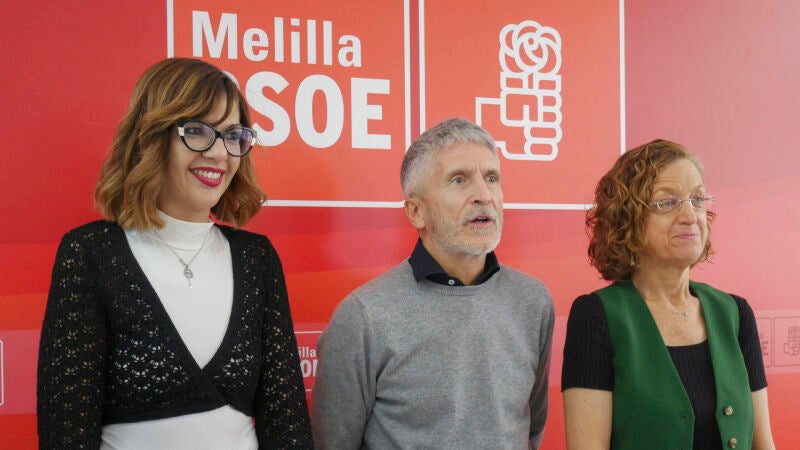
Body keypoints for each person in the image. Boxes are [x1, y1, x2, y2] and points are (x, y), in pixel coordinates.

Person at [37, 58, 313, 449]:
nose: (219, 153)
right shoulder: (92, 254)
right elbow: (66, 432)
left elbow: (287, 426)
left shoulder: (257, 260)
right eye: (197, 131)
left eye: (233, 135)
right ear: (152, 137)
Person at [311, 117, 555, 449]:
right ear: (416, 211)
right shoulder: (363, 316)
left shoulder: (533, 300)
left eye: (491, 178)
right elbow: (333, 442)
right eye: (459, 179)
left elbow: (531, 428)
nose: (484, 195)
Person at [562, 139, 775, 450]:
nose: (690, 216)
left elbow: (762, 444)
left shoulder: (735, 312)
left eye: (697, 199)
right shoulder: (597, 316)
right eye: (667, 202)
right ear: (628, 220)